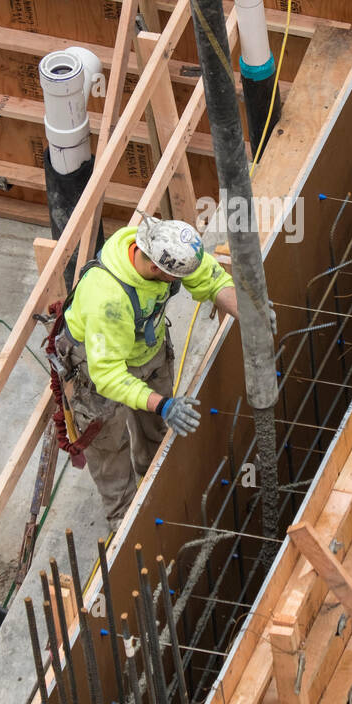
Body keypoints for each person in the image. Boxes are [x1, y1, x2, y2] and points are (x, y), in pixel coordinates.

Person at [54, 213, 238, 530]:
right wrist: (163, 404)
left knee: (156, 428)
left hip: (146, 350)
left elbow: (209, 277)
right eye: (174, 279)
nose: (179, 284)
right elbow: (108, 377)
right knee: (110, 446)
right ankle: (124, 519)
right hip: (97, 370)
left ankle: (154, 476)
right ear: (156, 268)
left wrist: (249, 312)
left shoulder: (161, 248)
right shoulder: (109, 300)